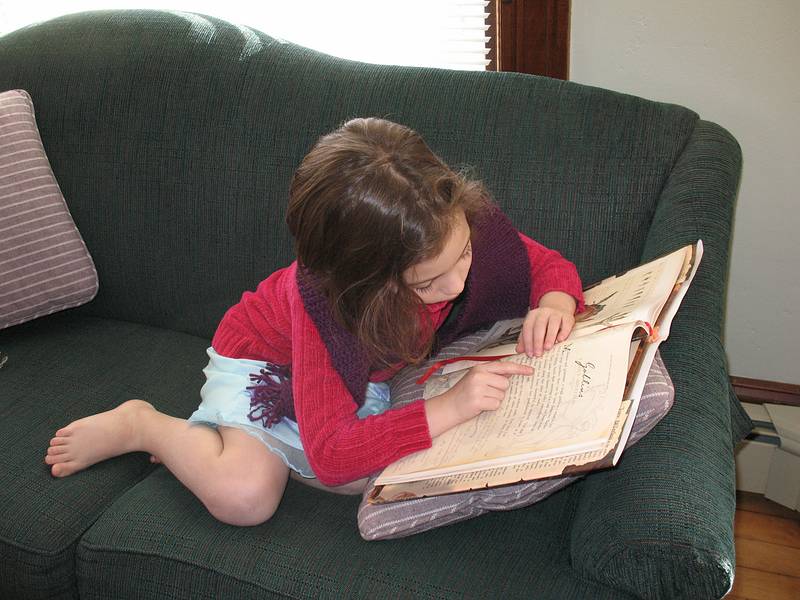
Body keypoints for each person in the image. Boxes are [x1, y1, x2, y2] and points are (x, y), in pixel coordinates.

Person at [44, 118, 584, 527]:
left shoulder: (446, 227)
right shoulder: (329, 310)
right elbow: (332, 455)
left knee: (373, 467)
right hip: (269, 363)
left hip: (358, 375)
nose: (456, 286)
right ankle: (145, 425)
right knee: (247, 498)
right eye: (425, 285)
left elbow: (540, 264)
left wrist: (556, 301)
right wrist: (449, 406)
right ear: (362, 285)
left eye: (464, 254)